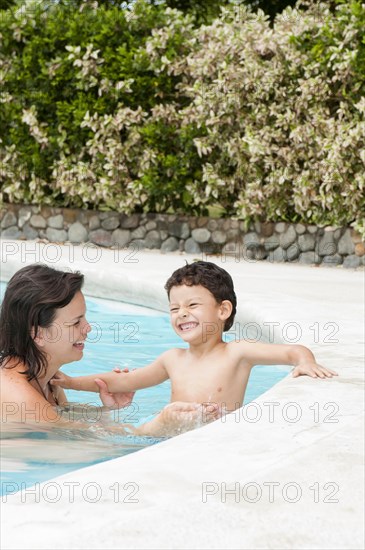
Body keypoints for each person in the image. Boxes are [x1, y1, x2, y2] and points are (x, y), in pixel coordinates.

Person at [52, 261, 337, 413]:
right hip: (170, 437)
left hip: (213, 439)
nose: (182, 314)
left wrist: (305, 362)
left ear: (223, 309)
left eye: (192, 305)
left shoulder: (237, 353)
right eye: (175, 308)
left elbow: (292, 351)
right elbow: (123, 381)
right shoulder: (172, 359)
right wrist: (71, 382)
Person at [0, 264, 220, 435]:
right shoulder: (18, 397)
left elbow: (68, 424)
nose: (87, 328)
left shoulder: (46, 379)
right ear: (38, 333)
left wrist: (106, 411)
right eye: (75, 323)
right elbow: (95, 447)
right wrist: (162, 425)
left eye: (84, 317)